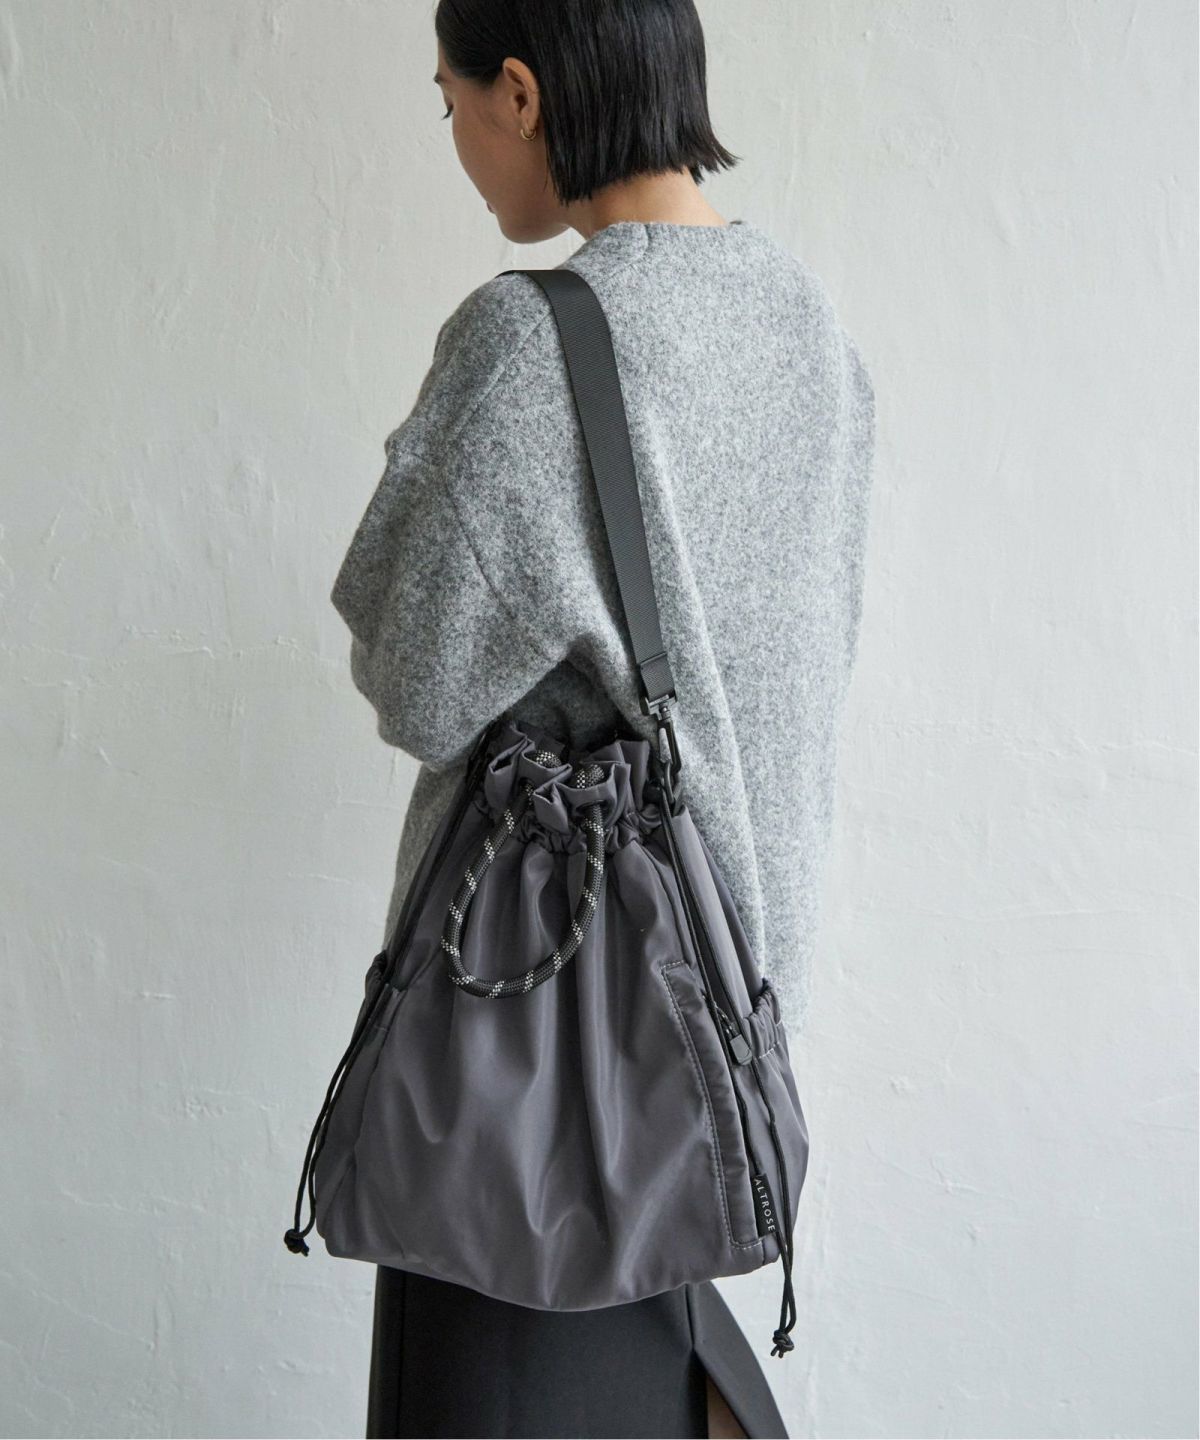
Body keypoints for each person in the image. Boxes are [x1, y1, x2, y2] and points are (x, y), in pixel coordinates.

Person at [326, 1, 876, 1434]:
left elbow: (414, 677)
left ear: (519, 92)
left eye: (449, 99)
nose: (453, 136)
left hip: (535, 1070)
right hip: (717, 1043)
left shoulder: (531, 345)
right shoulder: (809, 328)